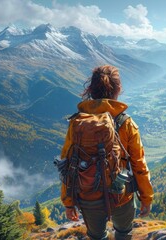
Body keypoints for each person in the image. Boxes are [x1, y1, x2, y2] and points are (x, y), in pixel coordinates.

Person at [59, 65, 154, 240]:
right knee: (124, 233)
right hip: (121, 194)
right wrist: (146, 197)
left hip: (88, 196)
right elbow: (139, 164)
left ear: (90, 89)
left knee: (97, 237)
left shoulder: (77, 123)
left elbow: (67, 163)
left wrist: (69, 202)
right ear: (118, 90)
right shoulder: (125, 123)